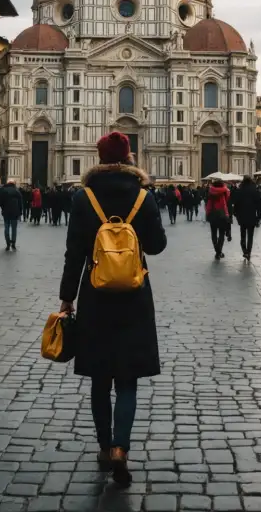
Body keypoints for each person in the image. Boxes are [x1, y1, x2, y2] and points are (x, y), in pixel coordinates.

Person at [59, 132, 166, 486]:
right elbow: (158, 245)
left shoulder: (82, 197)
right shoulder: (143, 197)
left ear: (99, 157)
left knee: (100, 378)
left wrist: (66, 298)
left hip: (95, 296)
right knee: (128, 380)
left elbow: (74, 253)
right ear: (129, 157)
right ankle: (122, 447)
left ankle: (105, 447)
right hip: (134, 295)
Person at [233, 176, 261, 261]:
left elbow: (236, 204)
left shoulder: (239, 191)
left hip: (242, 216)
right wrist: (259, 217)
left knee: (243, 235)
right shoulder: (255, 191)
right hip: (252, 216)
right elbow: (260, 204)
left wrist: (236, 214)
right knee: (250, 236)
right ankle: (249, 252)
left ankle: (244, 250)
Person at [205, 180, 230, 260]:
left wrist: (208, 213)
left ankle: (217, 251)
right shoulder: (224, 192)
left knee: (214, 234)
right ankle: (219, 251)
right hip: (222, 215)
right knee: (221, 234)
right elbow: (226, 201)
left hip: (213, 215)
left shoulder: (211, 192)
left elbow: (208, 204)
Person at [0, 179, 23, 251]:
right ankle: (13, 243)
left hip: (6, 212)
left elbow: (0, 202)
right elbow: (20, 202)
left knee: (6, 227)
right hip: (15, 212)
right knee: (14, 228)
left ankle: (8, 243)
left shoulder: (3, 191)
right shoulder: (16, 191)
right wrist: (20, 212)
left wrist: (3, 208)